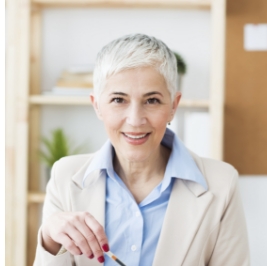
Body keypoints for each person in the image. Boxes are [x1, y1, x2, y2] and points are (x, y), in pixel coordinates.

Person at [34, 33, 250, 266]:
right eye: (118, 100)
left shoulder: (221, 183)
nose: (135, 120)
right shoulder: (65, 176)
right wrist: (49, 237)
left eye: (152, 100)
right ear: (97, 106)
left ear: (173, 106)